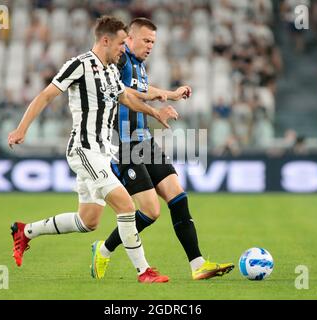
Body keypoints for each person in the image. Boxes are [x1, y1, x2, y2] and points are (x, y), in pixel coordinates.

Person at [8, 16, 179, 283]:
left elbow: (127, 98)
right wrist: (21, 129)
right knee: (125, 205)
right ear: (106, 40)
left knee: (88, 221)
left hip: (103, 151)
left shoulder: (111, 70)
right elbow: (46, 95)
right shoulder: (79, 65)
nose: (125, 49)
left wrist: (155, 112)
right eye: (122, 43)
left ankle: (25, 231)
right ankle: (144, 271)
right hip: (84, 150)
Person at [91, 18, 235, 281]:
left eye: (153, 42)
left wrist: (171, 95)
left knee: (178, 196)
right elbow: (123, 90)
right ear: (129, 39)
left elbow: (143, 89)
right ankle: (104, 248)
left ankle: (198, 264)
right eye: (146, 41)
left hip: (145, 142)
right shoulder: (120, 61)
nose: (150, 46)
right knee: (150, 211)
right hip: (124, 146)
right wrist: (161, 102)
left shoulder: (139, 66)